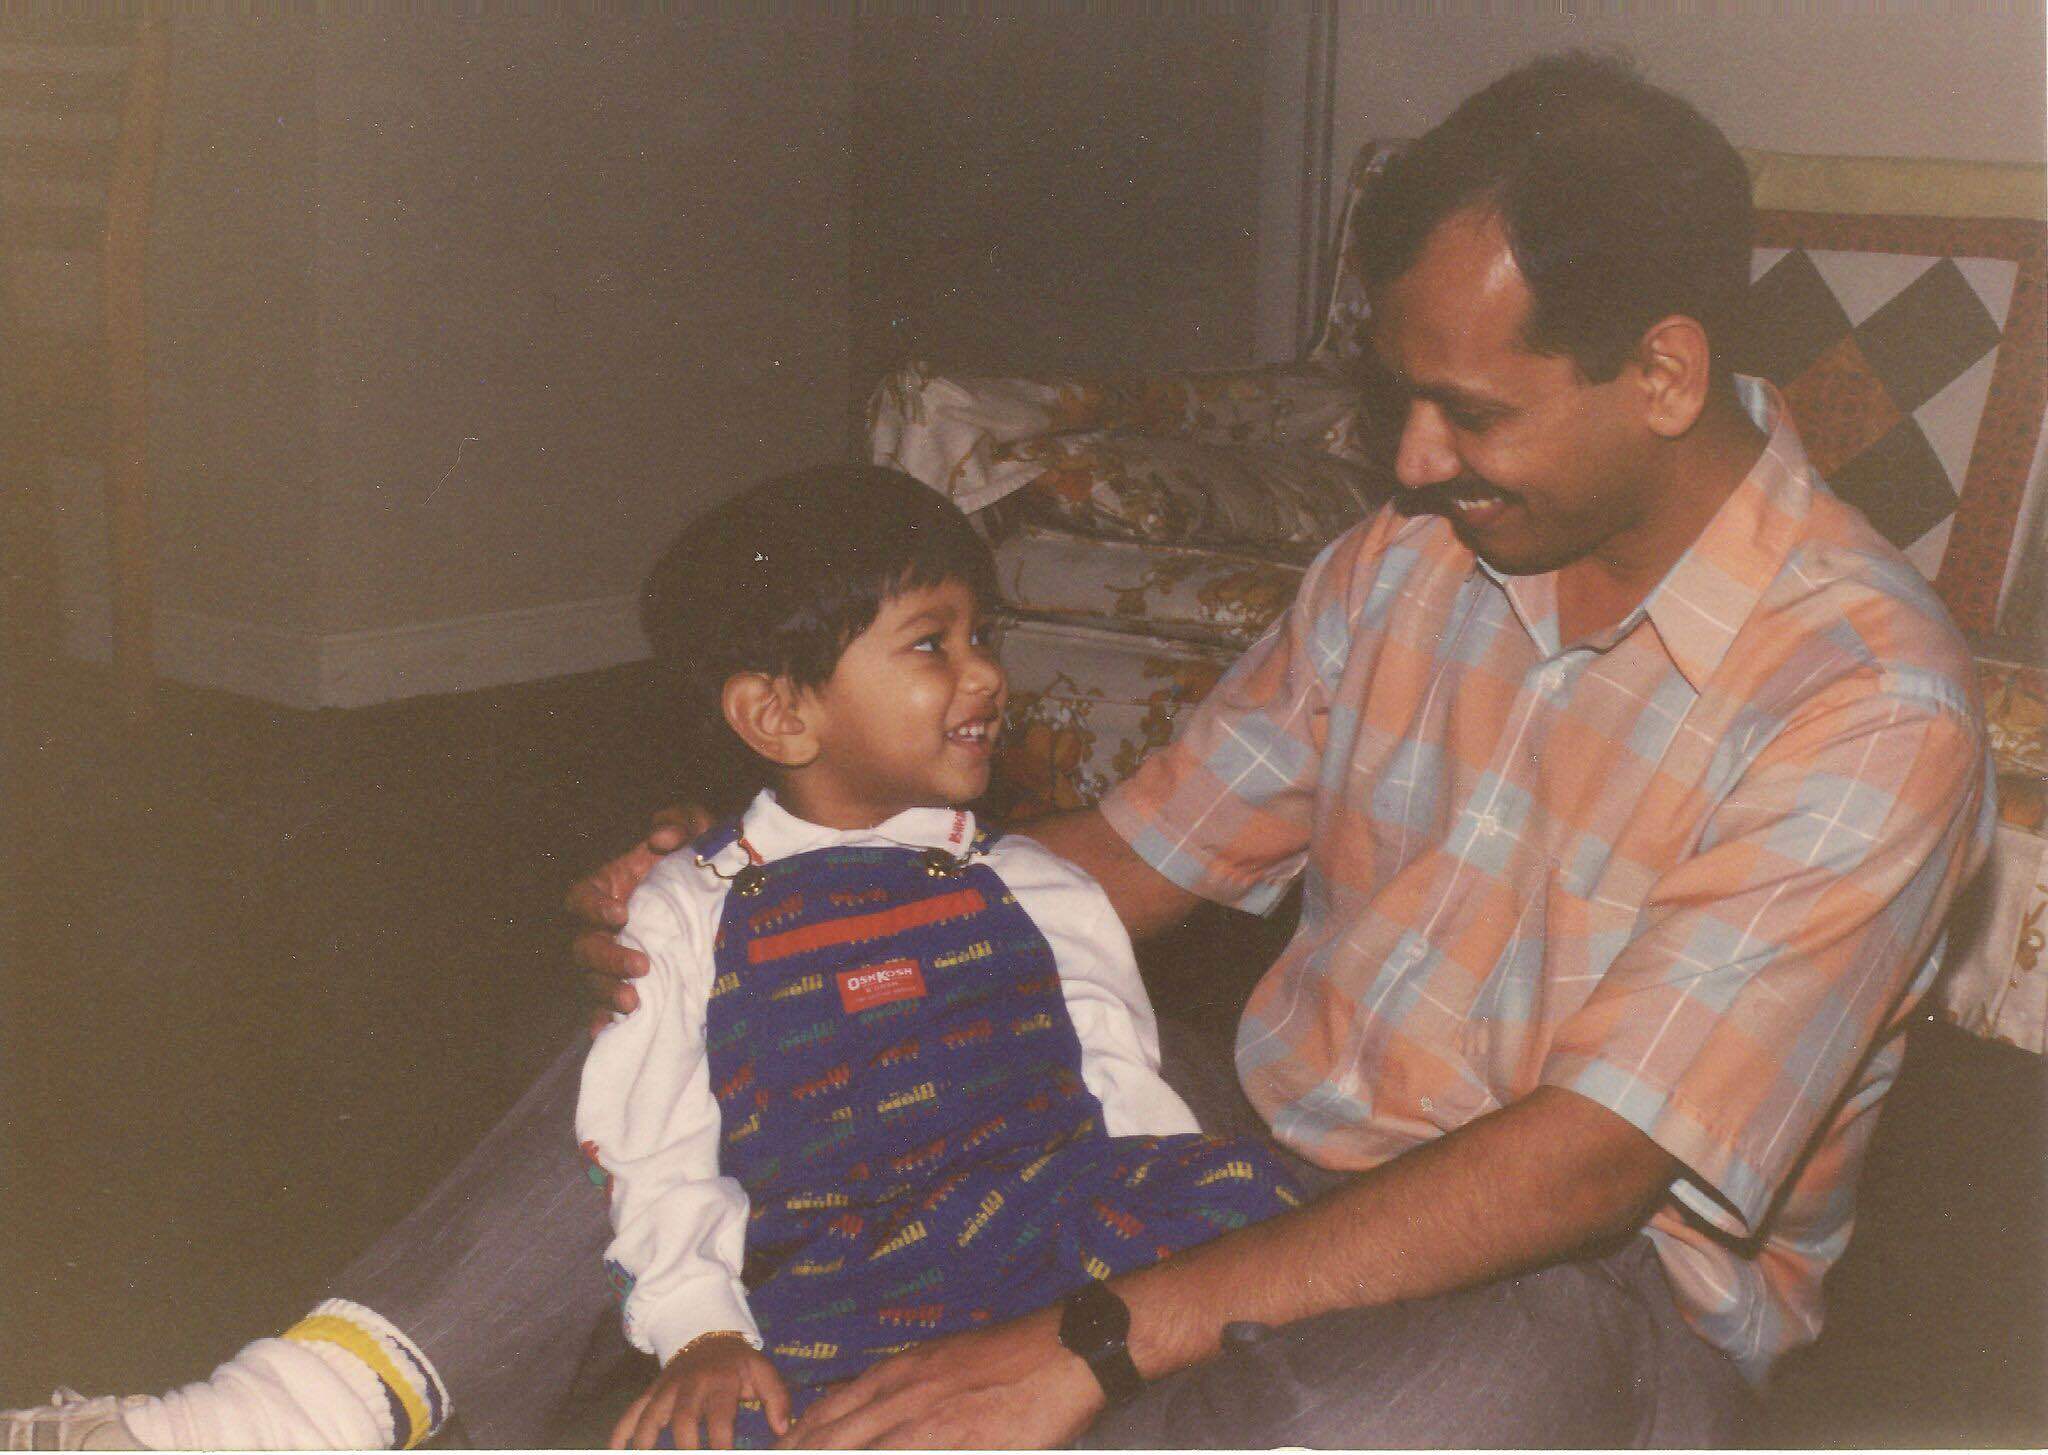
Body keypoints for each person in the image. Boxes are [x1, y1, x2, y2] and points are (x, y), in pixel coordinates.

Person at [5, 50, 1994, 1450]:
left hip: (1585, 1297)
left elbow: (1583, 1168)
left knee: (1407, 1406)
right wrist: (782, 878)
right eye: (1397, 400)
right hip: (1236, 1163)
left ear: (1661, 367)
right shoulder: (1408, 572)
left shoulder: (1861, 702)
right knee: (719, 1005)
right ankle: (278, 1420)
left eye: (1466, 413)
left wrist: (1091, 1334)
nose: (1402, 465)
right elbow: (1110, 870)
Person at [576, 466, 1299, 1448]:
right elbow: (658, 1159)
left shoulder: (1037, 887)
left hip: (1060, 1243)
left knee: (1249, 1202)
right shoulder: (688, 911)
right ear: (780, 715)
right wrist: (699, 1333)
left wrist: (1160, 1258)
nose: (986, 674)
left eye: (982, 638)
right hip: (843, 1285)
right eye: (931, 644)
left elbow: (1124, 1095)